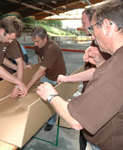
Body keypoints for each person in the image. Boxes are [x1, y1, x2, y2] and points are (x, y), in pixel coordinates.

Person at [37, 0, 123, 149]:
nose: (92, 37)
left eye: (93, 28)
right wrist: (101, 63)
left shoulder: (116, 67)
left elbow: (77, 121)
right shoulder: (116, 62)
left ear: (108, 26)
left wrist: (51, 95)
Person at [27, 26, 66, 131]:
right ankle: (42, 117)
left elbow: (39, 71)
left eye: (37, 41)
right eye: (34, 41)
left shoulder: (52, 48)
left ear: (45, 39)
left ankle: (51, 121)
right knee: (41, 96)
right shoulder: (39, 44)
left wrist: (27, 86)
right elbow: (39, 56)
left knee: (52, 101)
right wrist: (43, 67)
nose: (35, 44)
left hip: (56, 76)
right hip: (47, 74)